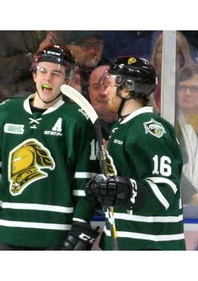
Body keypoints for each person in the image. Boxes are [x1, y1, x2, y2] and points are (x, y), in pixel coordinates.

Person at [0, 44, 101, 250]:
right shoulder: (4, 113)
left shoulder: (77, 120)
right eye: (43, 71)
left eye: (57, 73)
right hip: (6, 230)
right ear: (34, 75)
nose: (48, 79)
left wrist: (80, 224)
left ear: (67, 80)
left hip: (54, 235)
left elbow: (85, 182)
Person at [85, 56, 186, 250]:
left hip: (152, 246)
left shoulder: (149, 129)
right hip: (126, 241)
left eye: (110, 85)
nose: (105, 91)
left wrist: (126, 189)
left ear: (126, 89)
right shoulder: (124, 126)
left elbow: (163, 190)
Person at [0, 31, 65, 98]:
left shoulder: (61, 33)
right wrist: (34, 58)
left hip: (58, 95)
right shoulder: (5, 33)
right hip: (18, 97)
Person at [149, 31, 195, 111]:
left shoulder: (193, 83)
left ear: (183, 57)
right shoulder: (149, 85)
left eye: (174, 52)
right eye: (161, 52)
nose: (166, 57)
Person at [175, 65, 198, 207]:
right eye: (182, 88)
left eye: (194, 89)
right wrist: (192, 195)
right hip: (181, 209)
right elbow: (169, 167)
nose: (187, 93)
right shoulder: (166, 124)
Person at [65, 31, 111, 100]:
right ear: (70, 48)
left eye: (97, 46)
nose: (92, 51)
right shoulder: (62, 72)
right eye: (85, 46)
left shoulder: (111, 72)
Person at [87, 65, 117, 140]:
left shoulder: (132, 123)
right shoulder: (83, 124)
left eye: (107, 86)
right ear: (89, 92)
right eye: (96, 87)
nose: (103, 93)